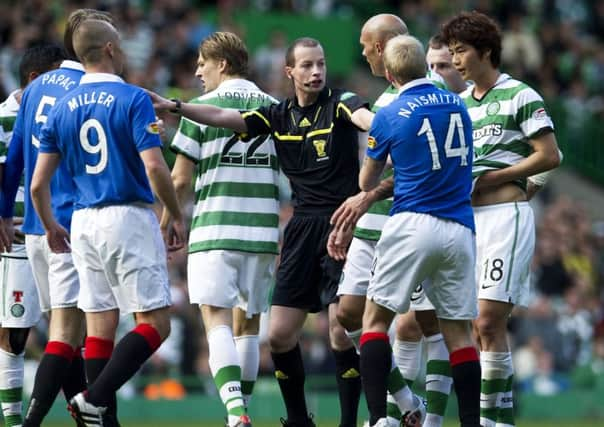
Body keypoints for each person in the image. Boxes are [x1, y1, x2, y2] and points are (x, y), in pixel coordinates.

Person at [148, 37, 415, 427]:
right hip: (302, 228)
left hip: (341, 222)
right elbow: (227, 119)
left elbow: (364, 119)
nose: (316, 72)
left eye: (320, 64)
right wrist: (175, 106)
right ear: (289, 71)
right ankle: (298, 419)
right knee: (279, 335)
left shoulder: (340, 101)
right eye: (306, 65)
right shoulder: (277, 114)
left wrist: (384, 130)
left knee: (347, 327)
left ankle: (403, 402)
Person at [29, 18, 185, 426]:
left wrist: (50, 225)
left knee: (99, 328)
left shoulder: (61, 108)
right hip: (127, 216)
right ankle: (92, 398)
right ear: (113, 50)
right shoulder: (132, 99)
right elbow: (155, 167)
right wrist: (175, 212)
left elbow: (38, 185)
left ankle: (100, 420)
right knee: (157, 324)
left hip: (81, 222)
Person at [329, 16, 455, 426]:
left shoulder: (433, 97)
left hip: (411, 223)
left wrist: (366, 195)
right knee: (348, 314)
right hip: (372, 227)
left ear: (382, 48)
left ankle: (424, 420)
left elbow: (417, 170)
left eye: (366, 44)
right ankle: (406, 403)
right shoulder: (384, 100)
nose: (362, 51)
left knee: (426, 321)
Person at [441, 11, 561, 427]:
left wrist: (497, 177)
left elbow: (550, 156)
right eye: (451, 52)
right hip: (467, 221)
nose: (455, 61)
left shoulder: (520, 95)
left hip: (506, 217)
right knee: (476, 328)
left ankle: (491, 422)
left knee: (489, 320)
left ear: (486, 51)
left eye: (461, 52)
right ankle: (498, 420)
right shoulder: (458, 106)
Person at [358, 34, 481, 427]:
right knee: (459, 335)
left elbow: (366, 182)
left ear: (391, 75)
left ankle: (380, 418)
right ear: (427, 68)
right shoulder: (459, 106)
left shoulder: (391, 112)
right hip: (460, 227)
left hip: (412, 221)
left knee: (375, 323)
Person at [0, 9, 115, 427]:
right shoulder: (90, 87)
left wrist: (1, 212)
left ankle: (91, 416)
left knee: (66, 335)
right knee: (70, 333)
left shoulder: (32, 90)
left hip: (32, 227)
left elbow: (13, 160)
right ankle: (31, 423)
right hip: (68, 226)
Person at [165, 31, 279, 427]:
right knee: (247, 322)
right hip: (264, 232)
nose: (197, 71)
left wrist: (167, 220)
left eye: (202, 63)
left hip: (216, 230)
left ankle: (235, 413)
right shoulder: (276, 108)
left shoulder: (199, 109)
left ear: (223, 65)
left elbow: (179, 181)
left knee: (216, 317)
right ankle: (242, 412)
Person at [0, 43, 65, 427]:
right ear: (36, 80)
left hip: (60, 237)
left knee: (71, 327)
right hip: (19, 241)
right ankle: (10, 418)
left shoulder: (62, 114)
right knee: (16, 330)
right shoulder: (5, 118)